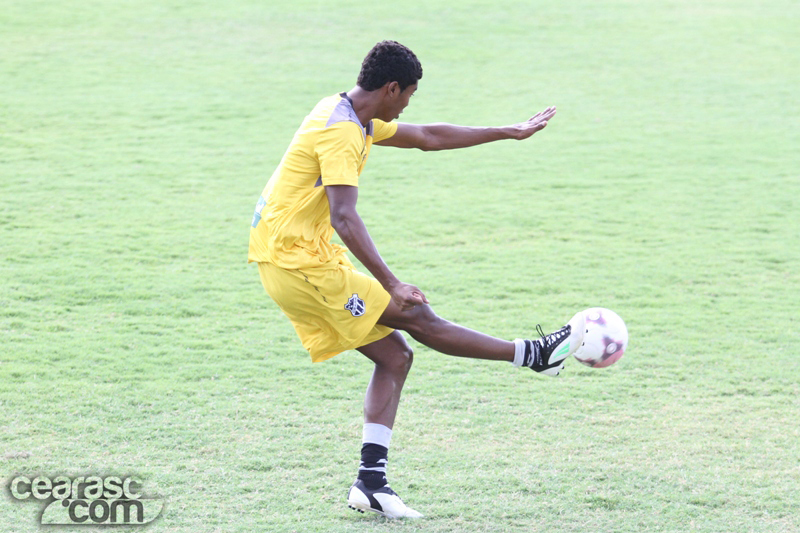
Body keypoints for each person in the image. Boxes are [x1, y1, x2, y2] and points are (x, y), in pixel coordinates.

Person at [248, 40, 585, 519]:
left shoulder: (347, 111)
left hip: (300, 255)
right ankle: (534, 356)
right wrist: (390, 282)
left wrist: (506, 132)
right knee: (416, 315)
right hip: (298, 263)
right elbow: (345, 216)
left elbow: (427, 136)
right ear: (390, 88)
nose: (409, 102)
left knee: (395, 357)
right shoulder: (341, 131)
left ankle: (370, 483)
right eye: (408, 93)